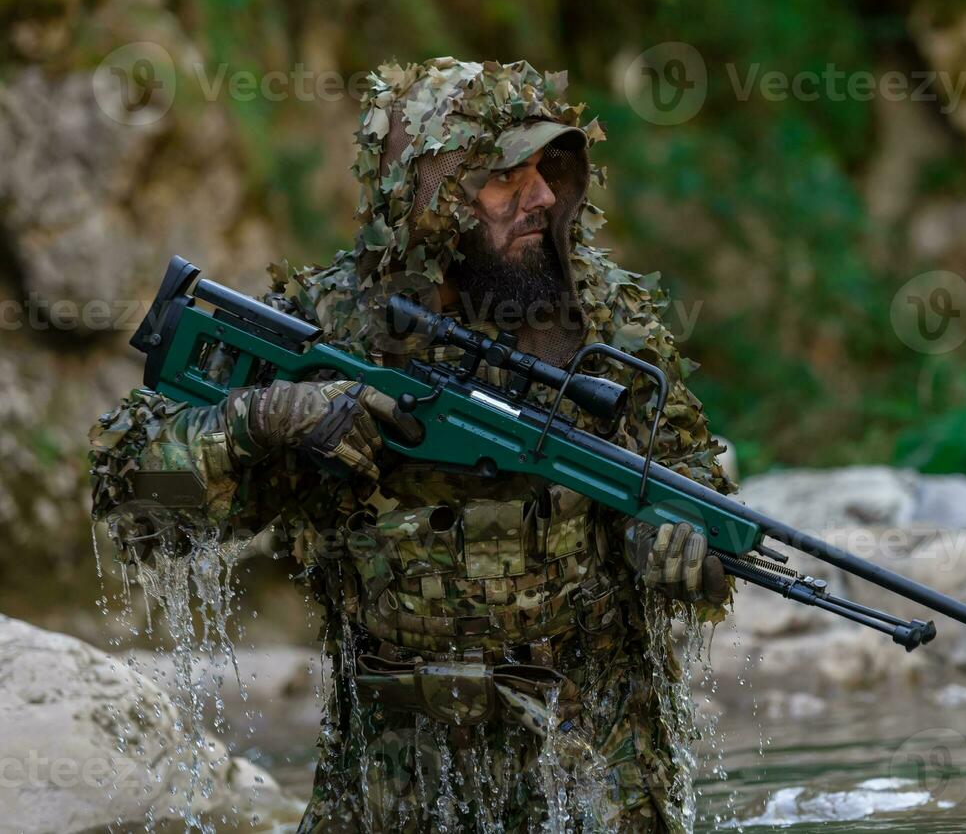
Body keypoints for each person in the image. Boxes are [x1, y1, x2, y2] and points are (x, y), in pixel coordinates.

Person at [89, 58, 735, 832]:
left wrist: (674, 548)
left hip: (590, 763)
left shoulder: (610, 326)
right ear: (431, 202)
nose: (540, 198)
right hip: (390, 772)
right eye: (507, 178)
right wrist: (261, 420)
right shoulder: (326, 322)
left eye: (549, 171)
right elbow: (132, 508)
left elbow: (691, 490)